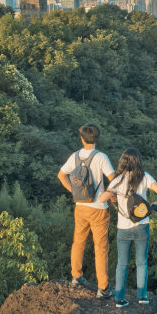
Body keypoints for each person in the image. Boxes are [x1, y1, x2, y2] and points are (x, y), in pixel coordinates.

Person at [99, 147, 157, 308]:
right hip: (142, 226)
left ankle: (119, 299)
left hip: (123, 228)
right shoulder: (144, 177)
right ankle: (142, 297)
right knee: (142, 262)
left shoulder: (117, 180)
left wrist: (113, 198)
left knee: (122, 263)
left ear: (122, 162)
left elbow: (102, 198)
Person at [57, 124, 115, 297]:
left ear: (82, 138)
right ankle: (103, 288)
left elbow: (61, 175)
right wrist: (110, 198)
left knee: (78, 242)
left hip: (80, 206)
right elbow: (113, 180)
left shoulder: (75, 156)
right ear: (97, 138)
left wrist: (74, 192)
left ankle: (76, 276)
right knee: (101, 248)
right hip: (98, 209)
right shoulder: (101, 157)